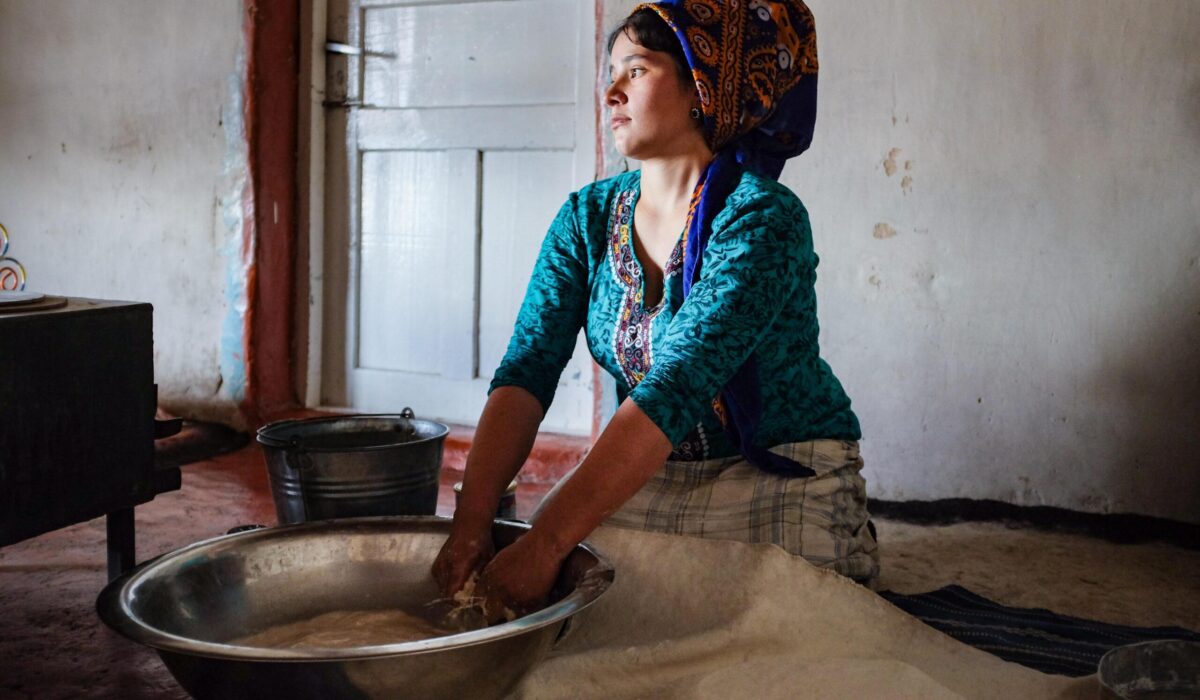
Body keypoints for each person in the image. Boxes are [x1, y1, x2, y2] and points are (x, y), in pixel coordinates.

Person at [433, 0, 878, 619]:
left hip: (780, 470)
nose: (611, 91)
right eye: (609, 72)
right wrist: (472, 521)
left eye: (636, 70)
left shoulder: (762, 218)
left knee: (780, 628)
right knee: (563, 601)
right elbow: (528, 368)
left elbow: (675, 386)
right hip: (653, 471)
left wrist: (548, 539)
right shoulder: (586, 219)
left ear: (701, 85)